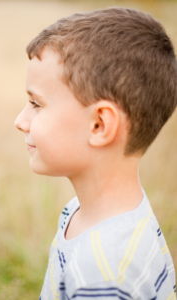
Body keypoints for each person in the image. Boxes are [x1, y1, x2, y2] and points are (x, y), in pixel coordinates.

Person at [14, 7, 177, 300]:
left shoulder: (106, 274)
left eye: (36, 104)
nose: (20, 121)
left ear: (100, 125)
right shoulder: (83, 211)